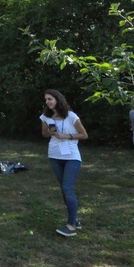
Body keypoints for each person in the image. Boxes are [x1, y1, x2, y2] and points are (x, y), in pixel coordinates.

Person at [40, 89, 88, 237]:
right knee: (64, 189)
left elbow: (84, 135)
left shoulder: (71, 116)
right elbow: (43, 134)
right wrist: (49, 132)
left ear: (57, 99)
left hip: (72, 156)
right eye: (46, 100)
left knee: (67, 188)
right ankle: (75, 219)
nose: (48, 102)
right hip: (54, 155)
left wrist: (66, 135)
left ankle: (71, 226)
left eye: (50, 99)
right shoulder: (45, 117)